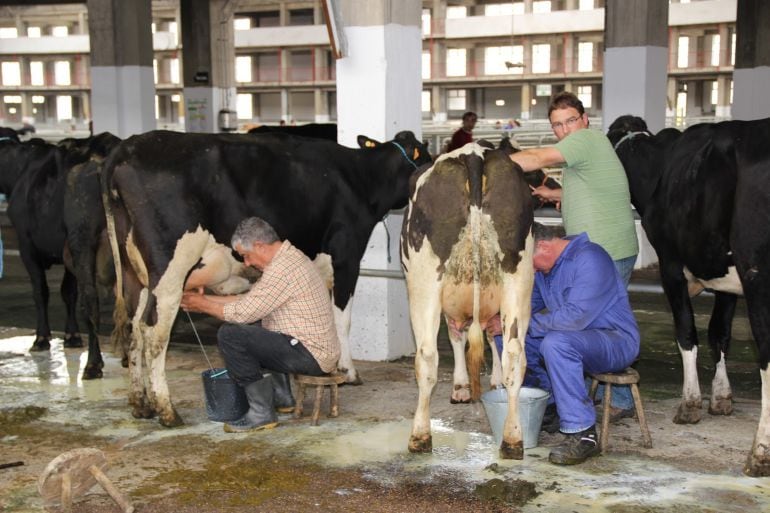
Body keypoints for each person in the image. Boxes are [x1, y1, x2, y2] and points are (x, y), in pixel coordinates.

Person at [508, 91, 639, 419]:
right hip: (597, 250)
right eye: (557, 125)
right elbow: (595, 186)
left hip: (605, 252)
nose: (565, 130)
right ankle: (606, 397)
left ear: (585, 120)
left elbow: (537, 159)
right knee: (595, 322)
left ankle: (612, 403)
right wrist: (557, 193)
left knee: (589, 325)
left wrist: (490, 163)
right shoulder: (585, 151)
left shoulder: (587, 141)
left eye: (570, 121)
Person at [181, 217, 341, 433]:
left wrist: (204, 304)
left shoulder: (283, 270)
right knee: (260, 323)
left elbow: (242, 313)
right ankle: (283, 398)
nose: (246, 263)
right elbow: (250, 301)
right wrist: (201, 304)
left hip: (310, 354)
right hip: (311, 348)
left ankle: (260, 414)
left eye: (245, 256)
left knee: (232, 335)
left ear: (259, 246)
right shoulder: (288, 258)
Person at [524, 223, 640, 465]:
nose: (529, 267)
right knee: (514, 337)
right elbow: (525, 307)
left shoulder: (590, 258)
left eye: (528, 259)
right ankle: (550, 406)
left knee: (556, 343)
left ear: (543, 246)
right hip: (578, 339)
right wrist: (496, 319)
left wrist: (523, 324)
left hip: (616, 340)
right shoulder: (546, 271)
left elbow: (575, 317)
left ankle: (583, 434)